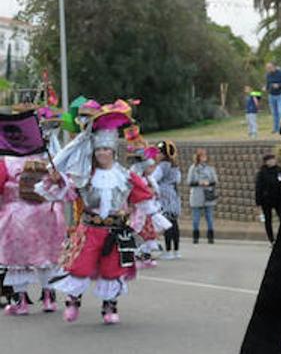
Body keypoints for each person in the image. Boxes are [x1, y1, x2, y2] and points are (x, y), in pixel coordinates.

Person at [39, 100, 170, 324]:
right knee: (79, 267)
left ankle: (109, 308)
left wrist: (157, 218)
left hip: (115, 231)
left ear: (112, 151)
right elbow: (66, 191)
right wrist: (55, 180)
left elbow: (141, 196)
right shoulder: (84, 175)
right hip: (90, 228)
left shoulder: (125, 175)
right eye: (98, 149)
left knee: (112, 270)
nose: (102, 153)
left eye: (106, 150)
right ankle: (72, 302)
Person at [0, 154, 66, 315]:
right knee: (46, 258)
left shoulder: (6, 161)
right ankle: (48, 298)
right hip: (47, 212)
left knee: (18, 262)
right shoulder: (45, 156)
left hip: (17, 215)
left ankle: (21, 302)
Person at [151, 140, 182, 260]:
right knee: (174, 223)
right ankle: (176, 251)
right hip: (174, 194)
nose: (157, 155)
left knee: (167, 223)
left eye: (159, 152)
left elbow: (154, 178)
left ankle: (168, 251)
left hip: (164, 196)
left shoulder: (163, 165)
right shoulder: (174, 165)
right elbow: (178, 179)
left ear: (164, 154)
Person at [187, 148, 219, 245]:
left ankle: (210, 237)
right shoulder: (193, 168)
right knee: (196, 218)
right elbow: (189, 182)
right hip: (197, 195)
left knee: (209, 217)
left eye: (205, 156)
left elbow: (215, 181)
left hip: (208, 195)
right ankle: (196, 237)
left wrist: (208, 183)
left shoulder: (210, 168)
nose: (204, 158)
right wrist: (199, 183)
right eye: (201, 156)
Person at [254, 153, 281, 244]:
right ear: (266, 162)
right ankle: (271, 239)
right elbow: (258, 188)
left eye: (273, 159)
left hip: (279, 198)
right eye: (270, 160)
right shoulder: (262, 173)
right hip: (266, 200)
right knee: (268, 220)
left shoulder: (279, 170)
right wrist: (258, 202)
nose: (273, 161)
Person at [265, 61, 281, 133]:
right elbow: (268, 85)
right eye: (267, 68)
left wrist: (279, 85)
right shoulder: (268, 75)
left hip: (280, 95)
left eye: (269, 67)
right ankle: (276, 129)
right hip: (271, 95)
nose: (268, 69)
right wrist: (265, 88)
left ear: (274, 67)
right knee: (274, 113)